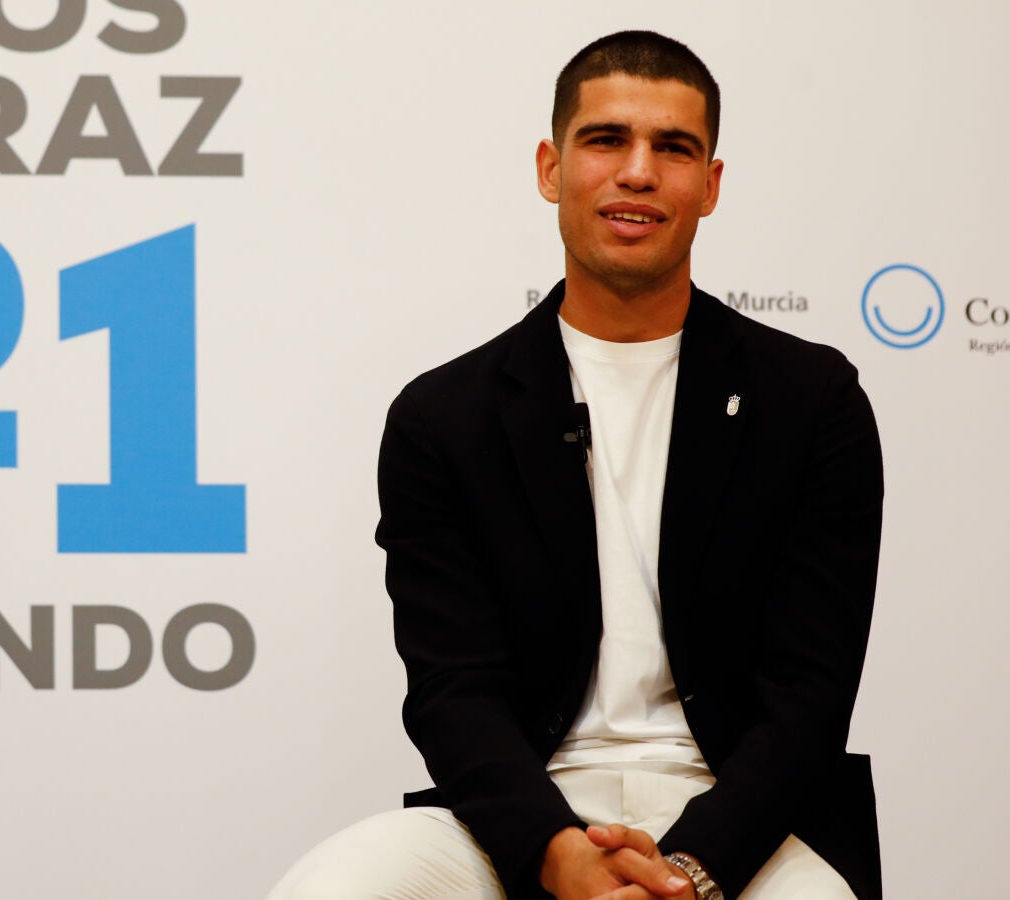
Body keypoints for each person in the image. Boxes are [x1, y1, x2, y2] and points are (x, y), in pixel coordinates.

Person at [267, 30, 883, 900]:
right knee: (331, 889)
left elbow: (810, 694)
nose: (638, 172)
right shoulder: (443, 417)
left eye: (673, 148)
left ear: (710, 186)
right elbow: (452, 692)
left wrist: (689, 871)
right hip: (516, 816)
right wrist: (558, 854)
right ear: (551, 169)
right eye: (606, 139)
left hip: (743, 823)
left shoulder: (811, 399)